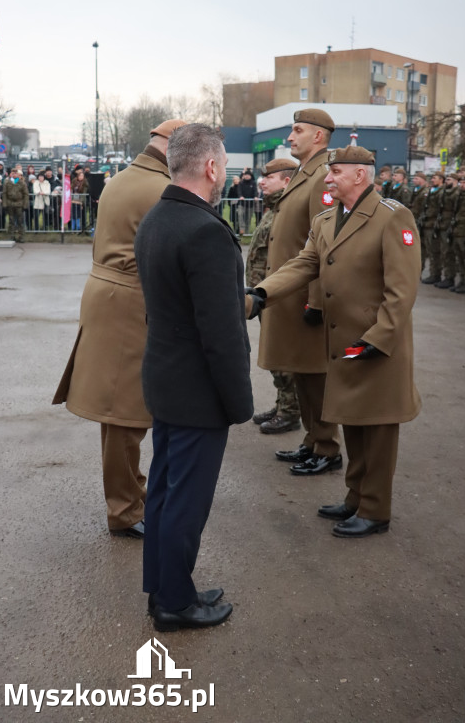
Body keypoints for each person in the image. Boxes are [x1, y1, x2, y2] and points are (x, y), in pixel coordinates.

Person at [248, 145, 422, 537]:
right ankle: (355, 498)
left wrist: (378, 338)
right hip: (344, 343)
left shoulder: (393, 218)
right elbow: (304, 264)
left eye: (336, 172)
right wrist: (261, 294)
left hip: (377, 345)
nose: (328, 179)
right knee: (354, 423)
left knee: (377, 430)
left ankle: (375, 510)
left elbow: (402, 289)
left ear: (360, 175)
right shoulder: (327, 219)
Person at [135, 123, 253, 632]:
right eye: (223, 164)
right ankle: (175, 605)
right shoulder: (205, 230)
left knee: (163, 491)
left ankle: (165, 588)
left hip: (166, 381)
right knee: (185, 501)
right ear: (209, 167)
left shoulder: (158, 217)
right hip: (196, 391)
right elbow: (220, 334)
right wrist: (239, 402)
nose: (224, 172)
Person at [52, 119, 186, 538]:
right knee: (125, 415)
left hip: (113, 297)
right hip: (130, 303)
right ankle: (125, 509)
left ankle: (129, 499)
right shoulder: (159, 187)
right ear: (173, 146)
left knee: (120, 413)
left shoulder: (126, 178)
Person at [258, 109, 341, 476]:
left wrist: (317, 300)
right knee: (302, 374)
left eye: (297, 131)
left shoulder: (323, 176)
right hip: (289, 293)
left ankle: (326, 447)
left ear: (318, 137)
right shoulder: (304, 175)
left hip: (306, 298)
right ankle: (312, 441)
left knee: (315, 375)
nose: (290, 138)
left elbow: (328, 246)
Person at [246, 158, 300, 434]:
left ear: (287, 181)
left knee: (281, 356)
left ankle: (290, 411)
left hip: (277, 295)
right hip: (263, 294)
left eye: (269, 178)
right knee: (273, 354)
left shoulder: (288, 210)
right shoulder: (274, 208)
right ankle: (282, 405)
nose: (262, 181)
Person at [434, 172, 459, 289]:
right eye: (447, 180)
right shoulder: (445, 192)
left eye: (449, 180)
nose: (447, 182)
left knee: (448, 253)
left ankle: (450, 277)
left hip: (450, 226)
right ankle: (445, 276)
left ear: (455, 181)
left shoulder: (456, 194)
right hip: (443, 225)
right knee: (443, 252)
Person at [420, 171, 445, 284]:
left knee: (434, 252)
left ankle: (435, 274)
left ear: (441, 180)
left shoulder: (441, 193)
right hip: (427, 224)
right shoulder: (431, 191)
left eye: (435, 178)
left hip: (434, 225)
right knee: (428, 250)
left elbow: (440, 210)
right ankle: (432, 273)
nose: (432, 180)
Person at [3, 167, 29, 242]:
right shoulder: (7, 182)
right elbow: (4, 194)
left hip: (19, 204)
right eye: (13, 173)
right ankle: (11, 236)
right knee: (11, 221)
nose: (14, 174)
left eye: (15, 173)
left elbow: (26, 194)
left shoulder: (22, 183)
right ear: (10, 174)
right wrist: (4, 204)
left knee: (20, 221)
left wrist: (25, 205)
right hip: (10, 203)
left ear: (18, 174)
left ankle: (21, 237)